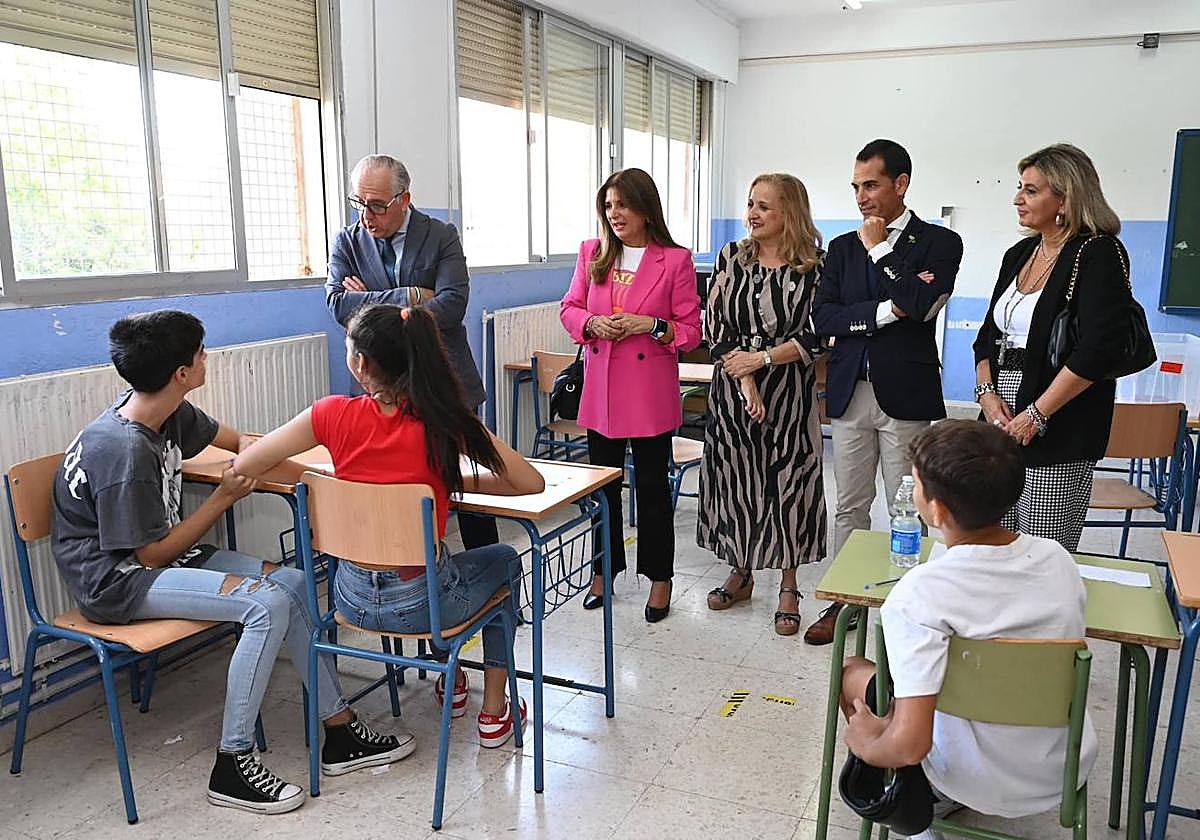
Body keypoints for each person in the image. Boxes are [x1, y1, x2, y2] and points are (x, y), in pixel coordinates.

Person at [51, 311, 412, 816]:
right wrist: (221, 499)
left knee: (293, 580)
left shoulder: (168, 410)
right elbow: (151, 555)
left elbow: (244, 444)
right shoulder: (124, 451)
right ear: (181, 372)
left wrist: (335, 478)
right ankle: (232, 761)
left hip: (168, 556)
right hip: (119, 582)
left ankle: (339, 731)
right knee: (265, 606)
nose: (207, 358)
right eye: (200, 353)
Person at [235, 304, 544, 747]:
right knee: (503, 562)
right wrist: (446, 481)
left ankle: (453, 682)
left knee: (450, 567)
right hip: (423, 605)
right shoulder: (443, 421)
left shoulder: (330, 414)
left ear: (361, 363)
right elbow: (529, 482)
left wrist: (326, 482)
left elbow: (250, 463)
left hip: (348, 599)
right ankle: (494, 711)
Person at [839, 420, 1096, 834]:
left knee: (852, 672)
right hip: (1059, 772)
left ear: (936, 510)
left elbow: (909, 743)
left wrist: (866, 743)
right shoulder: (1057, 559)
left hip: (964, 775)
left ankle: (916, 820)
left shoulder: (917, 596)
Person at [808, 138, 962, 645]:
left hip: (905, 393)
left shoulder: (939, 242)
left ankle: (909, 606)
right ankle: (844, 603)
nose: (862, 197)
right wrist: (882, 312)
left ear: (901, 183)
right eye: (856, 186)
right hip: (851, 391)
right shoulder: (842, 247)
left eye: (871, 184)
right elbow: (824, 316)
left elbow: (919, 305)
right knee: (850, 503)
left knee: (910, 506)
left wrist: (882, 250)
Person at [324, 153, 499, 551]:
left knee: (469, 488)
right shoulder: (348, 241)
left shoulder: (441, 235)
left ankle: (494, 588)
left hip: (445, 381)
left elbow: (454, 304)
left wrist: (369, 302)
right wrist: (411, 297)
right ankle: (404, 583)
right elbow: (337, 305)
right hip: (383, 388)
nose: (367, 216)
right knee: (391, 492)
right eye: (359, 203)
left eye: (377, 205)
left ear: (404, 199)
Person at [973, 143, 1133, 551]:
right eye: (1019, 187)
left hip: (1058, 417)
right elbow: (986, 339)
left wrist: (1036, 415)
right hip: (999, 412)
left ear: (1065, 197)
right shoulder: (1020, 253)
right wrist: (988, 397)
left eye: (1031, 190)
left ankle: (1038, 619)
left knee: (1041, 553)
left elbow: (1098, 349)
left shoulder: (1098, 252)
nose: (1017, 199)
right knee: (990, 539)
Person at [559, 167, 702, 624]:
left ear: (644, 208)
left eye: (622, 204)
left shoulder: (674, 260)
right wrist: (589, 325)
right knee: (603, 488)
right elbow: (569, 307)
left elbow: (691, 331)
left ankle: (660, 578)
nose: (614, 213)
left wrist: (651, 326)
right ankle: (604, 571)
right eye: (608, 205)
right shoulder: (592, 253)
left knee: (654, 490)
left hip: (648, 393)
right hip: (601, 391)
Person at [698, 173, 827, 636]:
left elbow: (818, 334)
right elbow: (714, 322)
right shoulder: (732, 256)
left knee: (789, 484)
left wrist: (765, 358)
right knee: (736, 481)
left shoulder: (815, 266)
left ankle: (790, 585)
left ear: (789, 212)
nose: (753, 213)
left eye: (765, 206)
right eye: (751, 204)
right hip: (734, 389)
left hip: (790, 390)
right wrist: (747, 379)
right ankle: (741, 571)